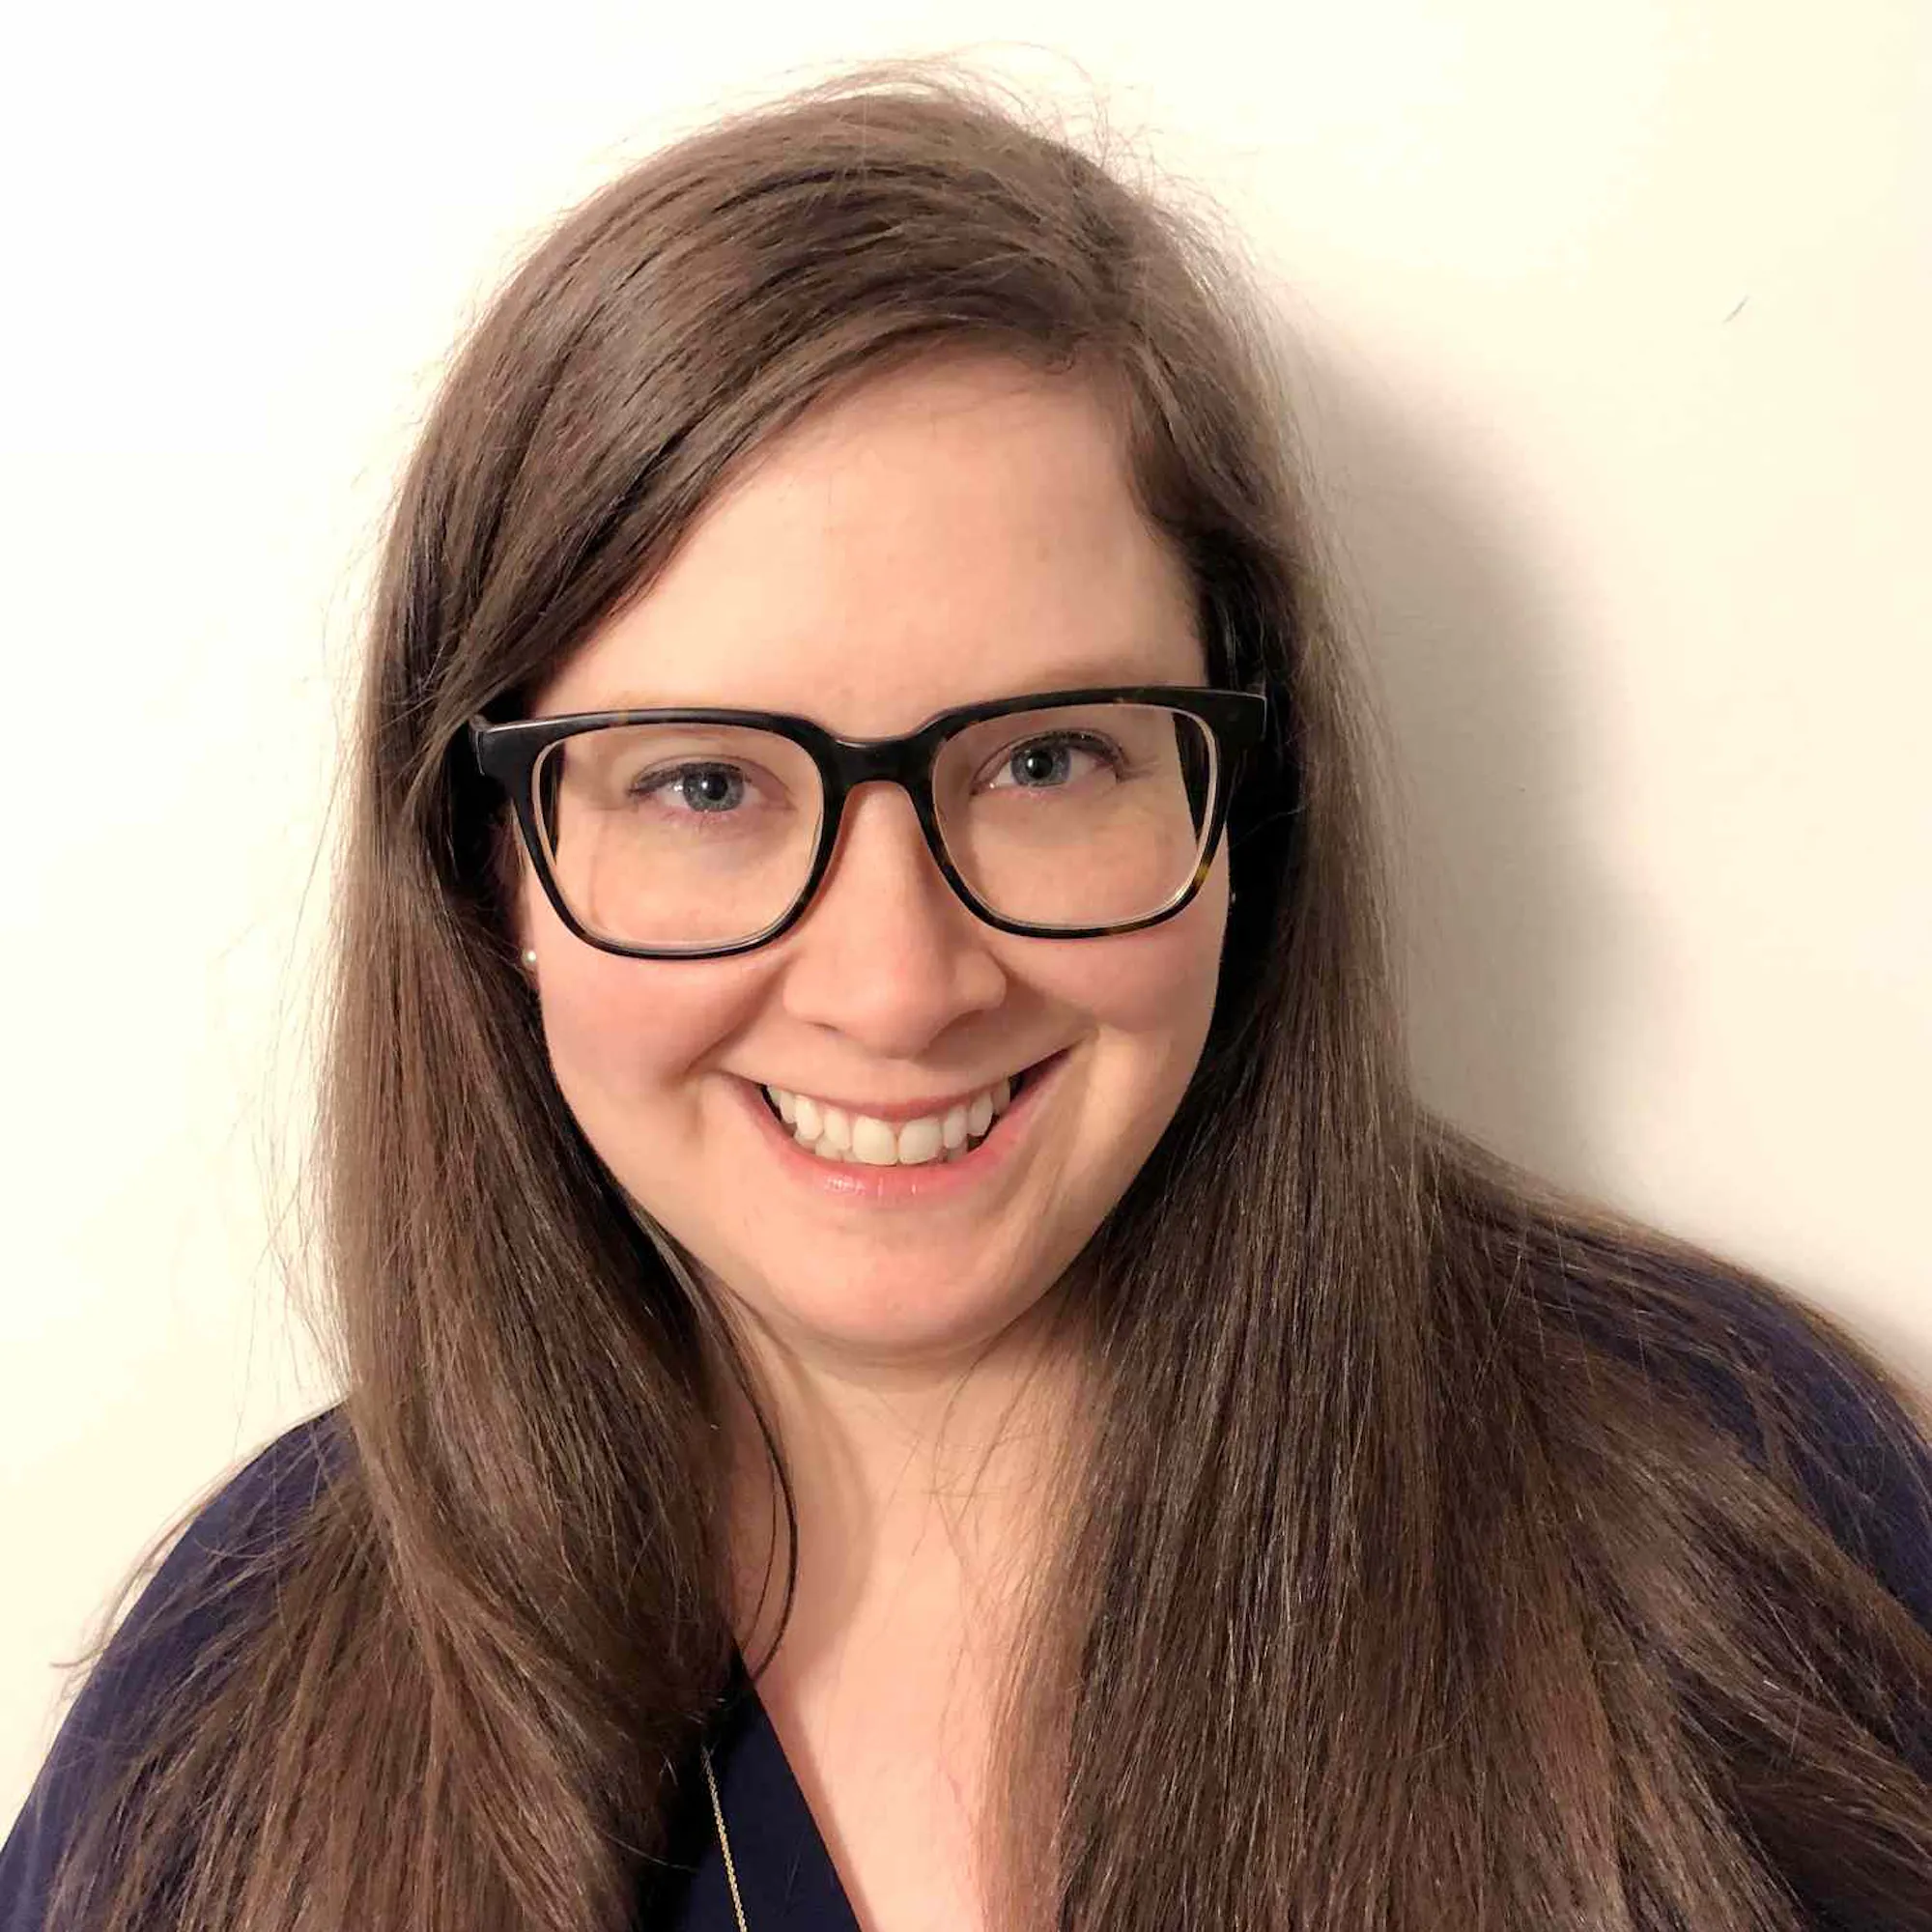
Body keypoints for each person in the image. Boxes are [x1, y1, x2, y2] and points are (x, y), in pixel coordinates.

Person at [5, 57, 1930, 1932]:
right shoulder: (237, 1709)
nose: (897, 983)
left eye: (1044, 762)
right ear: (478, 862)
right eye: (701, 784)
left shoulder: (1727, 1532)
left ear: (1245, 807)